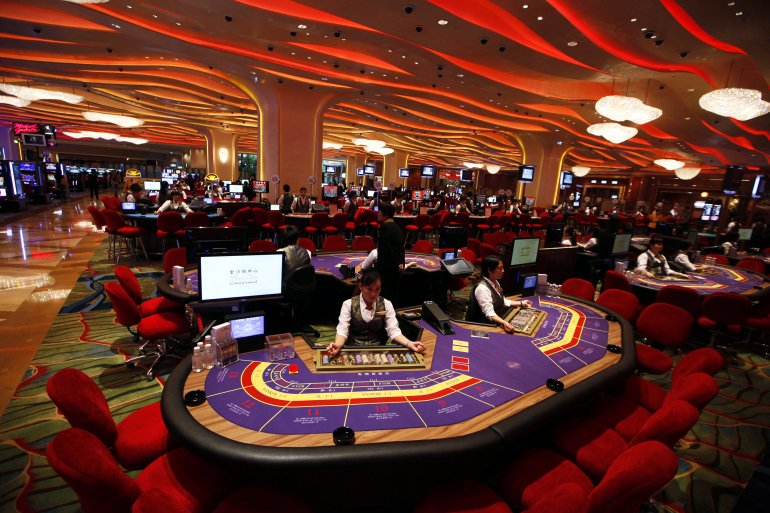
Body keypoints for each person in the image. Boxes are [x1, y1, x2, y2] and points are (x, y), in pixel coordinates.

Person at [326, 271, 425, 356]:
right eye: (369, 289)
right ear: (361, 286)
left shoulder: (386, 304)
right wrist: (338, 344)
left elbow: (393, 331)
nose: (373, 294)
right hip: (353, 350)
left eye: (377, 289)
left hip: (379, 351)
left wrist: (409, 343)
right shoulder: (348, 304)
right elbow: (343, 330)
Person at [465, 255, 532, 332]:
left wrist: (521, 303)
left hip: (497, 319)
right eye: (500, 268)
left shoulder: (495, 282)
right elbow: (489, 313)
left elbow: (501, 300)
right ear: (489, 270)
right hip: (484, 326)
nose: (503, 270)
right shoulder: (482, 288)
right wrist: (504, 323)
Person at [375, 203, 404, 301]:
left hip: (387, 269)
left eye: (379, 212)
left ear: (385, 215)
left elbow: (385, 251)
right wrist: (400, 264)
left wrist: (377, 270)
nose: (377, 214)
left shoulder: (385, 228)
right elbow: (401, 249)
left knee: (385, 297)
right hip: (396, 268)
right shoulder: (397, 226)